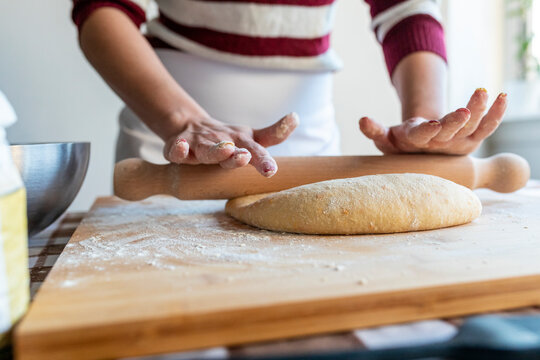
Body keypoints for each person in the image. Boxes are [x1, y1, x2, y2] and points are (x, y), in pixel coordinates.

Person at [72, 0, 507, 177]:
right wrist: (183, 121)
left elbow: (406, 10)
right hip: (170, 131)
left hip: (307, 143)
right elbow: (100, 8)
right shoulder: (176, 127)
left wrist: (426, 120)